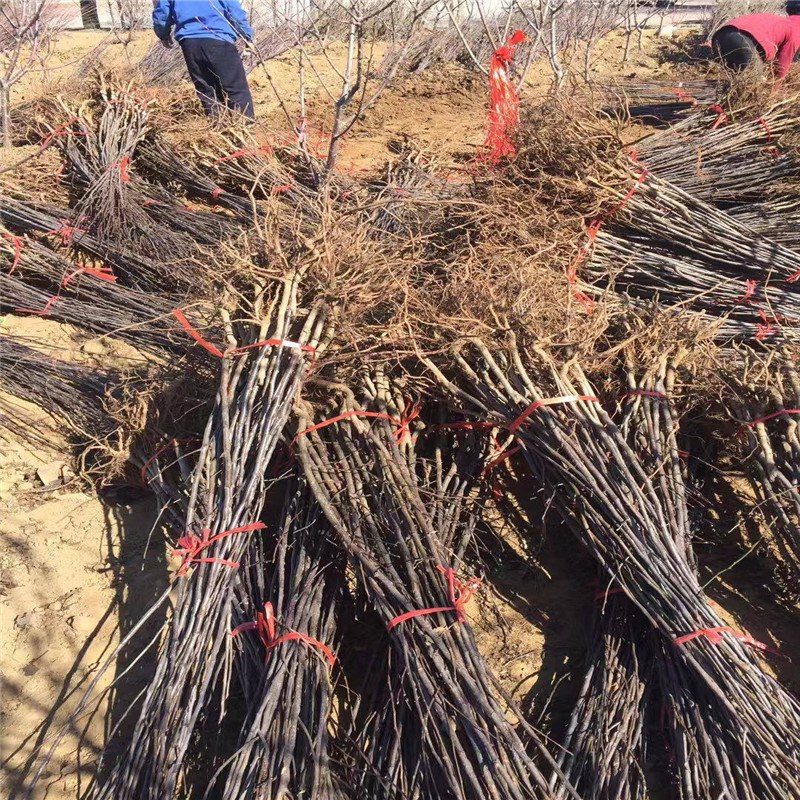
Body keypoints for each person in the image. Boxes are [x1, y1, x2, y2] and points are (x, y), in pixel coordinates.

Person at [152, 0, 255, 119]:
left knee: (207, 91)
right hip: (219, 39)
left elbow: (161, 14)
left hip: (189, 43)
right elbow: (234, 13)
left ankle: (218, 129)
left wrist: (163, 35)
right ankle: (244, 126)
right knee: (235, 89)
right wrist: (247, 36)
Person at [712, 2, 800, 81]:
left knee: (736, 82)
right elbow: (783, 64)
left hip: (719, 37)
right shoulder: (796, 28)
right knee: (755, 86)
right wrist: (776, 90)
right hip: (743, 42)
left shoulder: (776, 19)